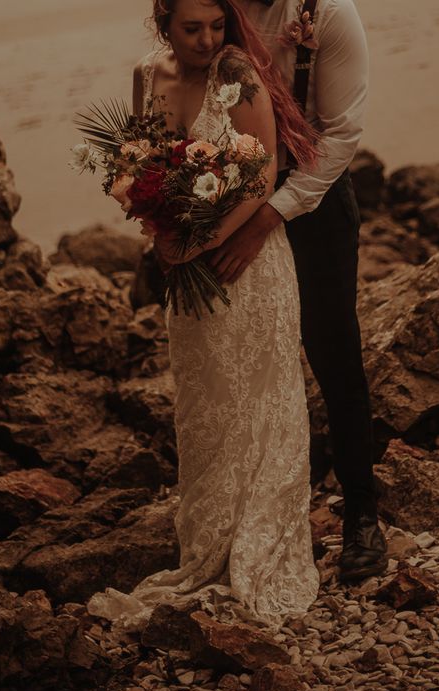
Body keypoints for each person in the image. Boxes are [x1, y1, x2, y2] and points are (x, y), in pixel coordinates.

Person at [86, 0, 323, 633]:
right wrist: (155, 225)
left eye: (216, 25)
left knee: (260, 404)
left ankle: (261, 543)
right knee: (206, 404)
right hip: (184, 270)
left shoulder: (238, 73)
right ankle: (207, 545)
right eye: (192, 28)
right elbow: (139, 165)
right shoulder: (146, 75)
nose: (207, 39)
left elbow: (262, 173)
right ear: (163, 22)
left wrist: (203, 242)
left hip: (246, 264)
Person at [210, 0, 387, 582]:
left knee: (335, 355)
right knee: (250, 359)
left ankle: (362, 513)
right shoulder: (216, 10)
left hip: (313, 199)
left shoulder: (329, 13)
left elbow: (340, 136)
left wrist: (269, 218)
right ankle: (266, 519)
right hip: (232, 199)